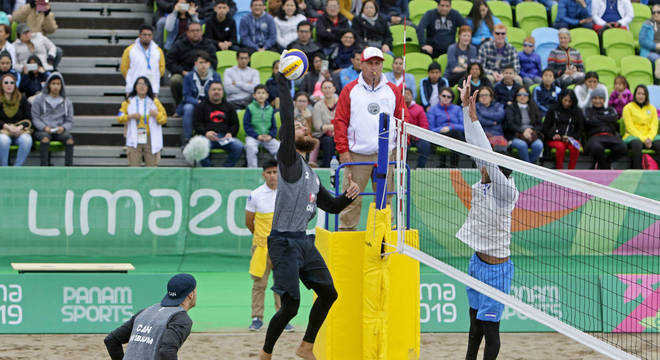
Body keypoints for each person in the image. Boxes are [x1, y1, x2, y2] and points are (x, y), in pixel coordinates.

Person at [257, 65, 360, 360]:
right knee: (291, 306)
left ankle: (306, 346)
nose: (304, 127)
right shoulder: (288, 159)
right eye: (300, 126)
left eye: (304, 126)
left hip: (303, 241)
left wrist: (348, 197)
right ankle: (266, 354)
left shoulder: (311, 174)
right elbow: (288, 121)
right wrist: (283, 82)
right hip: (283, 242)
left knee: (329, 294)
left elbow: (331, 207)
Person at [456, 75, 519, 360]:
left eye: (488, 166)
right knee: (474, 324)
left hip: (497, 272)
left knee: (490, 331)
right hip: (477, 264)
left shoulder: (506, 193)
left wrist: (475, 117)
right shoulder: (486, 180)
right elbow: (475, 146)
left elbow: (488, 157)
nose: (481, 166)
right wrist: (467, 111)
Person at [333, 47, 408, 231]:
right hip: (357, 155)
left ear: (382, 65)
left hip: (386, 154)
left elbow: (402, 120)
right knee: (351, 198)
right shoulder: (350, 89)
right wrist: (343, 151)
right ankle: (346, 236)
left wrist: (400, 147)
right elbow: (340, 121)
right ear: (362, 64)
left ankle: (381, 238)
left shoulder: (393, 90)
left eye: (378, 63)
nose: (374, 67)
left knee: (385, 199)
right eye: (370, 63)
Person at [246, 159, 294, 332]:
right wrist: (262, 238)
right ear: (263, 174)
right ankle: (257, 318)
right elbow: (249, 222)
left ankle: (283, 317)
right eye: (269, 172)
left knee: (282, 284)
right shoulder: (255, 195)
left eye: (275, 172)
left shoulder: (287, 193)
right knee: (259, 283)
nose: (272, 176)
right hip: (261, 247)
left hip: (282, 247)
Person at [104, 273, 197, 360]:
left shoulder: (146, 311)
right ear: (191, 294)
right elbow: (167, 351)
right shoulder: (181, 319)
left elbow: (111, 340)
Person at [117, 76, 168, 167]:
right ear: (135, 87)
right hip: (134, 137)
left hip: (150, 138)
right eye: (139, 84)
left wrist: (156, 114)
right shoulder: (128, 102)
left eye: (144, 84)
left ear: (148, 87)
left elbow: (164, 119)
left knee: (152, 168)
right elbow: (119, 118)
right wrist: (130, 116)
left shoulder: (154, 102)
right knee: (134, 168)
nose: (142, 86)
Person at [165, 22, 218, 106]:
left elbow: (214, 63)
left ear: (201, 32)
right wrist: (182, 71)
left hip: (204, 75)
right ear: (188, 33)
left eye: (197, 30)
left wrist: (203, 72)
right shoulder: (179, 44)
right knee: (175, 80)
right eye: (192, 31)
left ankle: (210, 107)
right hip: (185, 74)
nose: (195, 33)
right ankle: (180, 105)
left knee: (216, 78)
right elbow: (169, 62)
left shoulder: (208, 45)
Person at [194, 81, 245, 167]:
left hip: (224, 138)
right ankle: (208, 169)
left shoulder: (230, 107)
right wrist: (206, 133)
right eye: (214, 89)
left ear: (222, 92)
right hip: (207, 137)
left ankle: (226, 169)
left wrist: (230, 133)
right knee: (199, 146)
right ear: (208, 92)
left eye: (219, 90)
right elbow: (196, 124)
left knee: (238, 146)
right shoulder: (200, 106)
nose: (216, 92)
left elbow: (235, 124)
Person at [179, 51, 222, 143]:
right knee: (188, 108)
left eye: (206, 63)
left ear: (209, 64)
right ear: (196, 64)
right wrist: (197, 102)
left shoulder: (216, 76)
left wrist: (205, 104)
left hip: (210, 104)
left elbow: (217, 93)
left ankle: (212, 136)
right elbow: (186, 96)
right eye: (201, 62)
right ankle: (188, 138)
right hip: (194, 103)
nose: (203, 65)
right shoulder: (189, 77)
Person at [32, 72, 74, 166]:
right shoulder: (39, 99)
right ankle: (44, 166)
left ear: (61, 85)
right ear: (48, 84)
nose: (55, 86)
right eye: (53, 83)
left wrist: (63, 128)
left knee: (69, 140)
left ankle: (69, 167)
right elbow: (35, 118)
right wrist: (44, 127)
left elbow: (69, 121)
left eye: (58, 84)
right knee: (45, 139)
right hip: (43, 130)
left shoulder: (67, 102)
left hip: (59, 130)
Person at [585, 87, 627, 169]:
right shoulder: (588, 110)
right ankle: (606, 167)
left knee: (623, 146)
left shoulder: (610, 110)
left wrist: (597, 118)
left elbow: (613, 119)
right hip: (595, 137)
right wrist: (605, 119)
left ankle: (604, 164)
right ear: (592, 99)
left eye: (600, 98)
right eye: (595, 98)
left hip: (610, 136)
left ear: (604, 100)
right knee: (597, 148)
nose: (597, 101)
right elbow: (589, 121)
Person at [542, 89, 584, 169]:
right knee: (560, 147)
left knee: (575, 147)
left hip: (570, 139)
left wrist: (571, 137)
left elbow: (580, 129)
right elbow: (545, 128)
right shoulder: (553, 110)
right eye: (565, 100)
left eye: (570, 101)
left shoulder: (577, 112)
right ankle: (560, 170)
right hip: (554, 139)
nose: (567, 103)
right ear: (561, 98)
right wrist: (553, 135)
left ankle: (571, 171)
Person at [121, 24, 165, 97]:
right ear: (139, 35)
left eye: (149, 35)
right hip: (133, 88)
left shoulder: (158, 51)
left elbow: (161, 69)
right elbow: (124, 68)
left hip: (152, 88)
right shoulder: (130, 50)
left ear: (152, 36)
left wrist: (154, 78)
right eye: (144, 35)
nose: (147, 37)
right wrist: (131, 78)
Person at [622, 85, 660, 169]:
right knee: (637, 144)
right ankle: (637, 171)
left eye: (643, 94)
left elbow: (654, 126)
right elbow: (630, 128)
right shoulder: (627, 108)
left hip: (650, 137)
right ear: (635, 95)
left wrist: (649, 138)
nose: (640, 96)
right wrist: (644, 139)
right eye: (638, 93)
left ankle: (654, 169)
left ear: (646, 96)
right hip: (633, 136)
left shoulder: (652, 109)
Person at [504, 86, 544, 163]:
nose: (522, 96)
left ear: (529, 96)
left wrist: (531, 131)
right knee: (522, 145)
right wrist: (523, 131)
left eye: (525, 94)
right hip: (515, 135)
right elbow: (510, 124)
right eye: (520, 94)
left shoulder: (534, 107)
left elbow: (540, 125)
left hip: (532, 134)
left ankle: (528, 167)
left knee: (538, 145)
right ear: (516, 96)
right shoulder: (511, 107)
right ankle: (529, 169)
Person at [427, 87, 464, 167]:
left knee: (456, 134)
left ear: (452, 99)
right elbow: (430, 129)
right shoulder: (433, 110)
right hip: (439, 135)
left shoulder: (457, 109)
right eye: (444, 96)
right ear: (439, 96)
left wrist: (450, 127)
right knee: (457, 137)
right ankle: (453, 166)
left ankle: (452, 166)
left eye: (449, 97)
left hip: (455, 134)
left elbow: (463, 126)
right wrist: (440, 129)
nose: (446, 98)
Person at [0, 73, 31, 166]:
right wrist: (7, 126)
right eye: (6, 82)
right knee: (3, 141)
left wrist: (19, 127)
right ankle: (4, 168)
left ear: (15, 84)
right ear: (1, 84)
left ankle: (17, 168)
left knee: (27, 140)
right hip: (3, 130)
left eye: (12, 83)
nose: (9, 85)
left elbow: (28, 118)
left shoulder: (22, 99)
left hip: (19, 131)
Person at [244, 84, 280, 168]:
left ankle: (279, 170)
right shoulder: (250, 108)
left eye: (263, 93)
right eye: (258, 93)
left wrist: (270, 136)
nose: (261, 95)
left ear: (267, 95)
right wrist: (257, 136)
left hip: (267, 137)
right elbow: (247, 126)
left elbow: (274, 127)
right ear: (254, 95)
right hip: (253, 137)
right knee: (250, 147)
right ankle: (252, 170)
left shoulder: (270, 109)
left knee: (279, 147)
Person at [311, 79, 337, 168]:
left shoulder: (341, 103)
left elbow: (345, 121)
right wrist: (333, 127)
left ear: (334, 89)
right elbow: (318, 126)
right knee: (328, 141)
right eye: (325, 88)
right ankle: (327, 168)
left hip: (339, 133)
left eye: (329, 87)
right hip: (322, 135)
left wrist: (335, 129)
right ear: (321, 90)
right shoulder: (318, 105)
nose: (327, 90)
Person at [475, 85, 508, 153]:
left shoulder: (498, 105)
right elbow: (478, 120)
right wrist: (492, 122)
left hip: (497, 134)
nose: (484, 97)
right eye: (481, 95)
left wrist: (483, 113)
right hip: (482, 134)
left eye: (486, 95)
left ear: (491, 97)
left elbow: (500, 116)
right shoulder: (475, 106)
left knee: (500, 147)